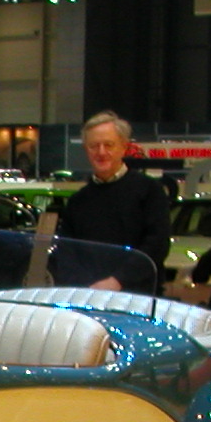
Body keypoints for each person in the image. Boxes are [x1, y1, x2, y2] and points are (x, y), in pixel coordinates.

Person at [58, 110, 172, 293]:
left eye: (108, 145)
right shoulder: (77, 201)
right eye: (94, 146)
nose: (101, 152)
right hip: (88, 296)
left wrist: (117, 281)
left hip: (137, 297)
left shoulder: (150, 191)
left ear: (124, 147)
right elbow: (67, 252)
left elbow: (157, 244)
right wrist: (86, 286)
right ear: (86, 150)